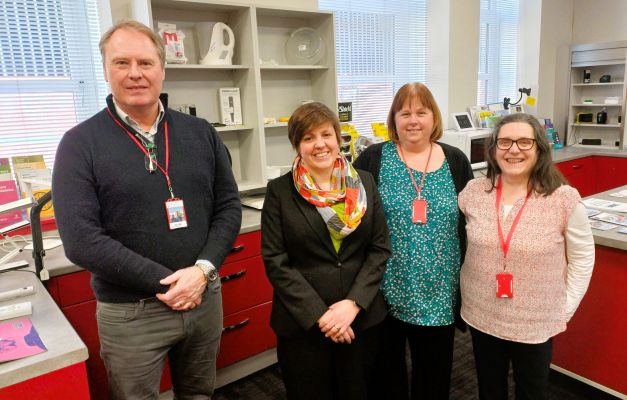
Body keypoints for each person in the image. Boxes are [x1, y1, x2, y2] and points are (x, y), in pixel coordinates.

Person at [52, 20, 241, 399]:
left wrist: (202, 272)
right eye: (121, 63)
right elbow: (82, 241)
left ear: (162, 69)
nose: (135, 73)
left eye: (146, 62)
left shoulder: (200, 132)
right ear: (105, 69)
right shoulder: (78, 144)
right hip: (131, 314)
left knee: (200, 394)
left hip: (203, 298)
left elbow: (228, 206)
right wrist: (170, 283)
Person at [458, 113, 595, 400]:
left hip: (536, 319)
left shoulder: (563, 199)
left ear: (539, 149)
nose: (514, 150)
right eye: (505, 142)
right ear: (494, 149)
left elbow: (583, 259)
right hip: (483, 313)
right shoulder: (474, 192)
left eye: (524, 142)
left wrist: (563, 308)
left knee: (530, 391)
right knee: (489, 388)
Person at [261, 102, 391, 400]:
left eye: (326, 134)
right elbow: (275, 261)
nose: (319, 144)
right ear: (297, 145)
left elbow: (379, 248)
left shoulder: (365, 183)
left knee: (357, 391)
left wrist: (354, 303)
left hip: (360, 319)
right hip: (303, 324)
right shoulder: (280, 191)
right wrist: (322, 316)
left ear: (338, 138)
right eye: (308, 138)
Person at [353, 82, 473, 399]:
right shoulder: (373, 158)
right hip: (384, 290)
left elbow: (472, 222)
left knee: (433, 379)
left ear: (433, 117)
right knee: (385, 377)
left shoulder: (456, 161)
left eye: (421, 112)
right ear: (393, 119)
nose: (413, 120)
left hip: (439, 292)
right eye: (404, 113)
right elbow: (349, 215)